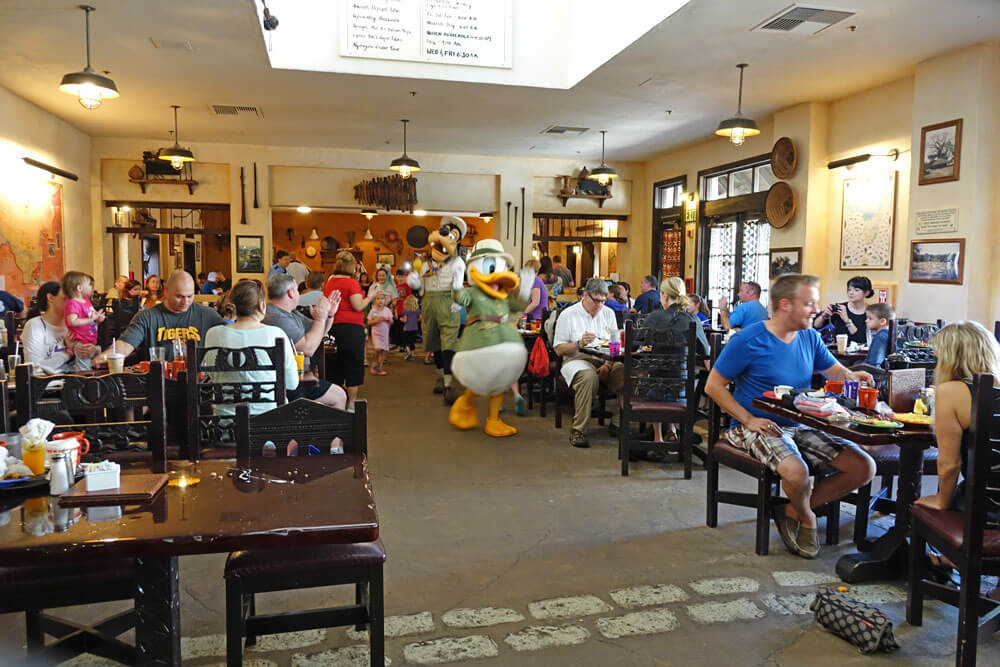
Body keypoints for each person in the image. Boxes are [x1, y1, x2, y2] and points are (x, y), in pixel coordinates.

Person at [705, 273, 876, 559]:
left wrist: (852, 375)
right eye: (809, 303)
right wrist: (748, 419)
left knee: (863, 467)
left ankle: (790, 510)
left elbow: (833, 370)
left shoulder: (810, 336)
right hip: (756, 424)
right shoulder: (748, 339)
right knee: (798, 473)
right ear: (785, 305)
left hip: (801, 423)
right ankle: (808, 518)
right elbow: (713, 386)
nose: (815, 310)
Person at [915, 322, 1000, 516]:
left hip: (988, 507)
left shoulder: (952, 391)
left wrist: (942, 501)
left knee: (931, 502)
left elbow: (949, 464)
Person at [203, 279, 299, 416]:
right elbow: (292, 383)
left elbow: (212, 376)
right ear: (261, 305)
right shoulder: (276, 334)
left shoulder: (213, 334)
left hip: (225, 426)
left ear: (233, 305)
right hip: (269, 426)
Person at [95, 270, 225, 364]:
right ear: (167, 290)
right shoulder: (147, 316)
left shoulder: (208, 315)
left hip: (198, 384)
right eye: (179, 296)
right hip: (158, 383)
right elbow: (126, 343)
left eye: (190, 296)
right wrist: (105, 357)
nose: (185, 302)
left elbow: (230, 335)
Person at [553, 278, 623, 448]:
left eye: (603, 301)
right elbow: (559, 349)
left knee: (625, 371)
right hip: (576, 359)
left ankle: (619, 422)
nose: (599, 305)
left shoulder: (608, 313)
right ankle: (578, 430)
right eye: (596, 300)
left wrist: (608, 365)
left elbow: (615, 345)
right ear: (584, 295)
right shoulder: (568, 315)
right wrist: (578, 344)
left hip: (605, 359)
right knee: (588, 377)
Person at [262, 274, 346, 409]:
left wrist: (328, 315)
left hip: (299, 376)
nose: (298, 293)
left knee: (338, 394)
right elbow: (308, 349)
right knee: (339, 396)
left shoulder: (290, 313)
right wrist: (320, 318)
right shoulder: (276, 317)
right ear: (290, 293)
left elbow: (319, 333)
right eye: (296, 290)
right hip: (286, 382)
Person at [643, 277, 710, 444]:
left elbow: (637, 347)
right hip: (682, 391)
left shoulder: (653, 318)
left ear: (664, 296)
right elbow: (705, 352)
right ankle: (672, 429)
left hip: (653, 390)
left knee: (653, 378)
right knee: (675, 376)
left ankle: (658, 438)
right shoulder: (692, 320)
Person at [324, 251, 379, 411]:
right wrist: (370, 295)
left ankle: (336, 402)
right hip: (352, 329)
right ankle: (351, 403)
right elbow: (358, 305)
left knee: (335, 366)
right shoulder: (351, 283)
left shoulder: (330, 282)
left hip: (333, 326)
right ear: (351, 266)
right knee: (352, 365)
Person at [22, 281, 94, 375]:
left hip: (78, 380)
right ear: (51, 298)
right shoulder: (35, 326)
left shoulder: (77, 323)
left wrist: (93, 351)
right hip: (50, 384)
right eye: (67, 297)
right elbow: (35, 368)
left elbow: (93, 361)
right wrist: (69, 352)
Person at [61, 271, 106, 371]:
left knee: (92, 365)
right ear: (79, 288)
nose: (92, 287)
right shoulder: (72, 303)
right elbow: (72, 321)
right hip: (81, 341)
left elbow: (92, 316)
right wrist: (91, 319)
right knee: (84, 368)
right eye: (89, 284)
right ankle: (81, 384)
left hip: (91, 338)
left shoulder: (86, 300)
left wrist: (98, 319)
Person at [813, 276, 873, 345]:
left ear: (867, 293)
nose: (851, 293)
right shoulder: (840, 307)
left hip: (860, 353)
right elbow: (816, 326)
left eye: (856, 290)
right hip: (838, 351)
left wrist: (846, 319)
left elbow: (861, 338)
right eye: (849, 289)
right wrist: (823, 316)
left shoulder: (871, 312)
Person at [367, 292, 393, 375]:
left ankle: (380, 368)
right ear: (374, 301)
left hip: (384, 334)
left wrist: (388, 320)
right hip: (376, 333)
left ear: (385, 300)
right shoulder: (373, 311)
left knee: (382, 351)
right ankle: (374, 364)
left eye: (382, 298)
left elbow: (391, 321)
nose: (380, 301)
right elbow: (368, 322)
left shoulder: (387, 310)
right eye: (378, 299)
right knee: (377, 349)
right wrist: (376, 320)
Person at [863, 302, 894, 367]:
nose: (866, 321)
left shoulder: (880, 337)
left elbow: (874, 363)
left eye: (870, 318)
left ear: (882, 321)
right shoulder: (891, 334)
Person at [400, 294, 421, 361]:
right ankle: (412, 354)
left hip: (407, 328)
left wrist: (401, 319)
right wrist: (416, 320)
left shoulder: (405, 310)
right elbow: (421, 318)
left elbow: (405, 320)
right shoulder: (417, 310)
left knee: (405, 342)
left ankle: (408, 352)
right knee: (412, 342)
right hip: (415, 328)